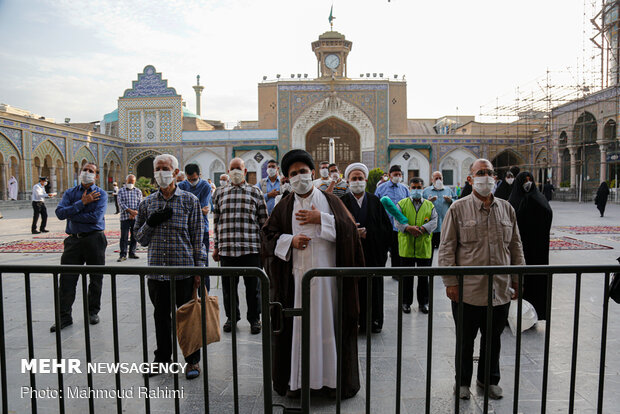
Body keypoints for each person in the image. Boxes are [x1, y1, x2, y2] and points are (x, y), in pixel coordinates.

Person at [261, 149, 363, 399]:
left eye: (303, 172)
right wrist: (290, 240)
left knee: (328, 329)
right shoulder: (284, 206)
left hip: (329, 285)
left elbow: (351, 233)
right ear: (287, 178)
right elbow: (267, 237)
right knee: (299, 330)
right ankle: (298, 383)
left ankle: (331, 382)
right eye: (293, 174)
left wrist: (322, 219)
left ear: (313, 173)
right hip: (296, 284)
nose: (299, 177)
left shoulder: (331, 202)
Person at [438, 158, 525, 401]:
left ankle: (488, 380)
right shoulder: (458, 209)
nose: (486, 176)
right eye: (480, 172)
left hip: (499, 289)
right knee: (465, 341)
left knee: (493, 339)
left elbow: (516, 246)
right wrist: (451, 282)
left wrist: (517, 279)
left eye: (489, 173)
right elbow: (446, 248)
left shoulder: (507, 209)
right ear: (470, 179)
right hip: (468, 290)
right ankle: (463, 382)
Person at [135, 154, 206, 380]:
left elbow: (198, 238)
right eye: (158, 169)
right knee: (161, 317)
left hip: (183, 270)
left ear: (176, 173)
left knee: (187, 318)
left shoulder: (189, 201)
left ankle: (192, 360)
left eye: (165, 168)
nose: (160, 173)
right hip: (157, 272)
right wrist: (151, 222)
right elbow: (140, 239)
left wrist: (199, 271)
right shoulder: (147, 203)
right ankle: (163, 359)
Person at [212, 158, 267, 334]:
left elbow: (263, 222)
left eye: (239, 169)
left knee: (253, 287)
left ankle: (254, 319)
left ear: (245, 172)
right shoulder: (220, 193)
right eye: (232, 169)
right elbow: (216, 222)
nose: (235, 172)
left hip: (250, 248)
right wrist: (216, 246)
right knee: (228, 288)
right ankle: (231, 318)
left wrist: (264, 248)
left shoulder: (255, 191)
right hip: (228, 249)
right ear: (228, 172)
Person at [52, 163, 108, 332]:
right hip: (73, 241)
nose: (87, 173)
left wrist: (73, 214)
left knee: (95, 278)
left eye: (91, 171)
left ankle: (92, 312)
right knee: (67, 279)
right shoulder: (70, 193)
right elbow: (60, 213)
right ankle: (64, 316)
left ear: (96, 176)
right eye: (85, 170)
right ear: (79, 172)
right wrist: (81, 203)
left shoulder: (101, 194)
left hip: (94, 239)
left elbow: (95, 218)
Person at [340, 162, 392, 333]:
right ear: (347, 182)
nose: (357, 181)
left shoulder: (375, 201)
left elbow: (385, 229)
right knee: (351, 290)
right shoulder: (342, 202)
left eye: (360, 178)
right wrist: (352, 233)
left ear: (366, 180)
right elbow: (335, 228)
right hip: (350, 256)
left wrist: (368, 232)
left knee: (373, 289)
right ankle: (352, 321)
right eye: (353, 178)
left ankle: (374, 321)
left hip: (372, 255)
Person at [508, 171, 553, 320]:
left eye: (530, 180)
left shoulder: (539, 199)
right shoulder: (513, 201)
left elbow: (547, 216)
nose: (528, 183)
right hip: (519, 251)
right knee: (518, 284)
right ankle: (514, 317)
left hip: (537, 251)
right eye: (524, 180)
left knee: (535, 284)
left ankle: (534, 315)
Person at [397, 177, 437, 314]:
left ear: (423, 188)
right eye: (413, 188)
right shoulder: (402, 204)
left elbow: (434, 221)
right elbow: (397, 221)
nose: (416, 190)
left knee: (423, 277)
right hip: (407, 247)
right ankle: (406, 303)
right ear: (409, 188)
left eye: (418, 188)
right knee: (406, 277)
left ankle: (424, 303)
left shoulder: (429, 205)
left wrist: (423, 229)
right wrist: (408, 228)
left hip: (423, 246)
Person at [178, 163, 212, 289]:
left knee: (203, 265)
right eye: (189, 179)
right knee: (185, 266)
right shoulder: (181, 185)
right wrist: (197, 208)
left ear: (199, 175)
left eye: (194, 179)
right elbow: (197, 208)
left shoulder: (205, 186)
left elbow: (203, 206)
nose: (191, 182)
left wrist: (190, 208)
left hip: (202, 230)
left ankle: (204, 296)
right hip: (185, 231)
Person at [375, 165, 410, 270]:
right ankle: (380, 270)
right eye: (395, 175)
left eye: (399, 175)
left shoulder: (404, 188)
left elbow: (409, 204)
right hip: (385, 225)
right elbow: (376, 205)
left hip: (398, 226)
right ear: (390, 175)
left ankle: (396, 271)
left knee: (397, 250)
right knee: (382, 250)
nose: (398, 177)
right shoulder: (381, 188)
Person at [423, 171, 455, 257]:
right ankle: (428, 269)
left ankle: (443, 269)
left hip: (444, 226)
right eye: (436, 178)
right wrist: (428, 202)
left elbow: (456, 201)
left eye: (440, 178)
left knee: (445, 252)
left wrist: (450, 201)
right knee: (429, 251)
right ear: (432, 179)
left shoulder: (448, 190)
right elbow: (419, 205)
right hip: (431, 227)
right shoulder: (426, 191)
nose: (438, 180)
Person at [116, 174, 142, 262]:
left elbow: (140, 204)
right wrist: (130, 212)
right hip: (125, 218)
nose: (131, 183)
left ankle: (132, 252)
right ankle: (123, 254)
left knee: (134, 236)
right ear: (126, 181)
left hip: (135, 218)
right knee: (124, 236)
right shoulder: (121, 191)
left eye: (132, 182)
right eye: (129, 182)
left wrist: (134, 213)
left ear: (135, 182)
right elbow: (121, 203)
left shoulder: (138, 191)